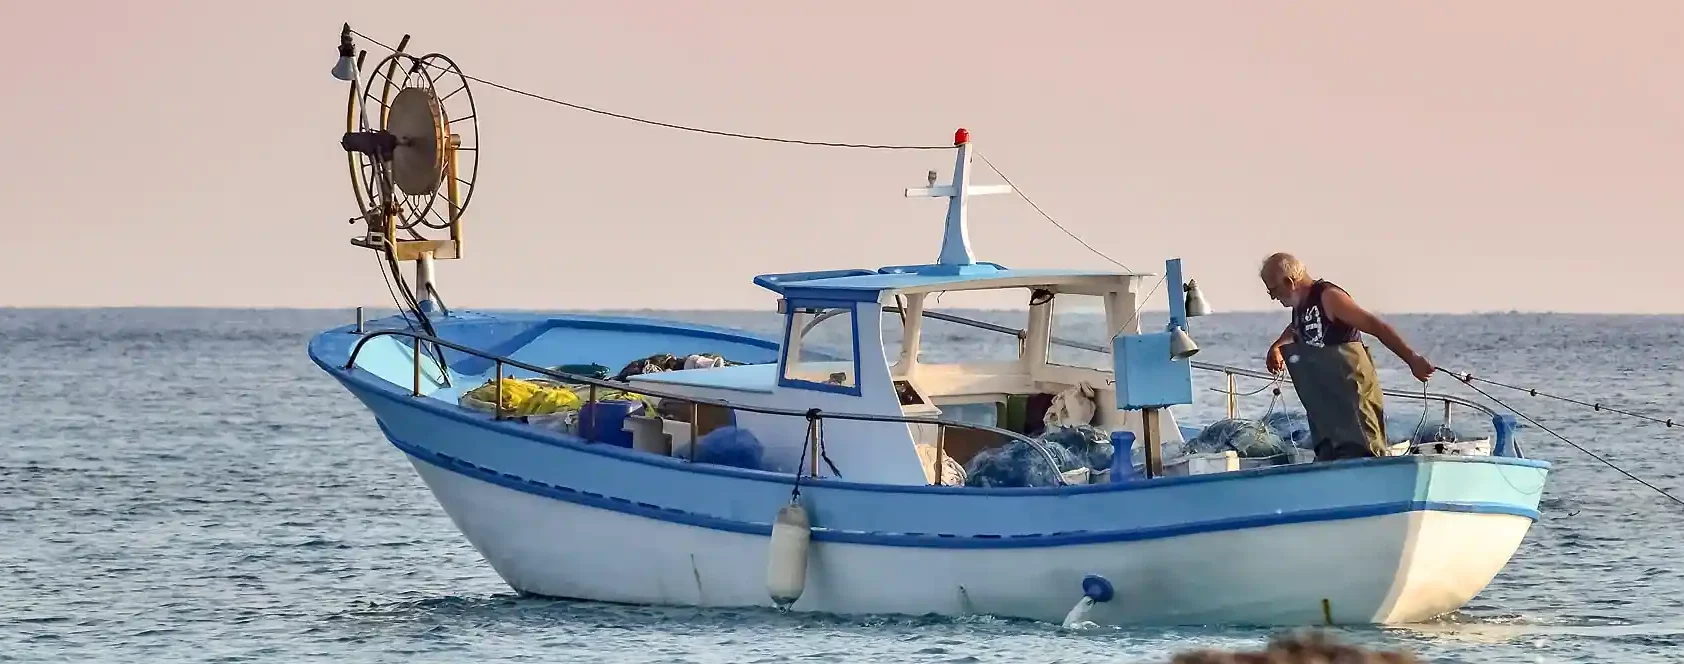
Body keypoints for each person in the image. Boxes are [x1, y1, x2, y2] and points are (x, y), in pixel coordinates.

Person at [1259, 253, 1434, 461]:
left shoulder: (1330, 297)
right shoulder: (1300, 307)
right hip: (1326, 402)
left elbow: (1375, 326)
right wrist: (1278, 346)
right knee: (1328, 454)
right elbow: (1297, 327)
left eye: (1273, 290)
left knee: (1364, 450)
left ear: (1289, 282)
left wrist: (1412, 359)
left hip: (1352, 397)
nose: (1273, 297)